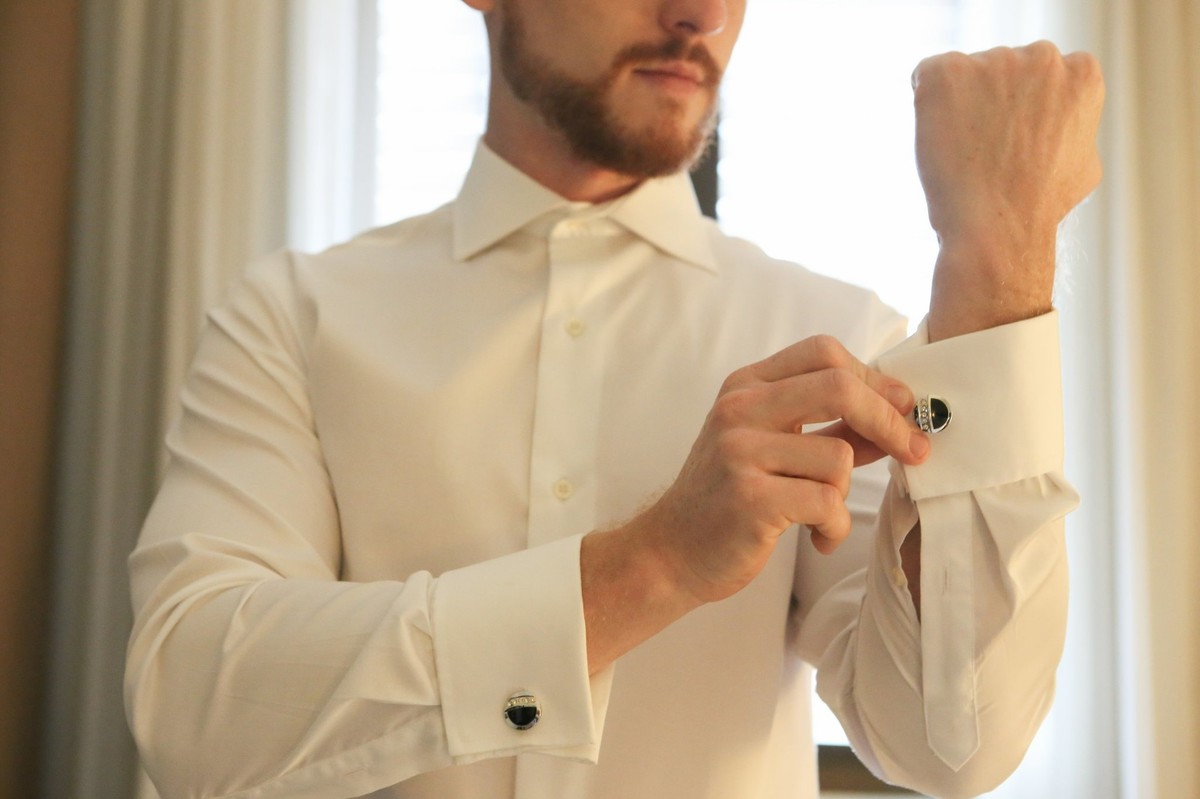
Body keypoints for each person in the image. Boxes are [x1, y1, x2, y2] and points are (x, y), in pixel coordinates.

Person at [124, 0, 1105, 797]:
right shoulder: (294, 318)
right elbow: (192, 713)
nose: (704, 13)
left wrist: (998, 267)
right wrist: (651, 564)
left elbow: (954, 741)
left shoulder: (839, 341)